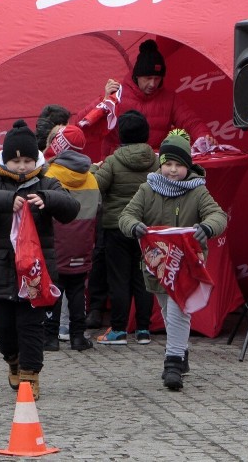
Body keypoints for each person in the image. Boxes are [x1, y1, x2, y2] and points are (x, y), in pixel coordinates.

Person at [0, 120, 79, 400]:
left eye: (28, 160)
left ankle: (30, 375)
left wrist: (47, 199)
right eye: (16, 161)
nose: (22, 166)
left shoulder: (46, 180)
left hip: (36, 273)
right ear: (6, 160)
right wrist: (5, 200)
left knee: (30, 326)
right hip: (2, 270)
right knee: (2, 327)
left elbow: (71, 207)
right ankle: (13, 360)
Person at [120, 129, 227, 391]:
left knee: (179, 310)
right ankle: (181, 350)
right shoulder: (147, 189)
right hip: (156, 263)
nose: (172, 170)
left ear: (188, 166)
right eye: (168, 163)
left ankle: (173, 363)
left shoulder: (198, 192)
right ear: (161, 164)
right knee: (168, 310)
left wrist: (208, 227)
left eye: (178, 165)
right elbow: (126, 215)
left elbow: (218, 215)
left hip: (187, 264)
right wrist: (134, 226)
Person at [78, 39, 216, 156]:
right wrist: (104, 101)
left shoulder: (169, 99)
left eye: (157, 78)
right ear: (137, 75)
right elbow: (81, 124)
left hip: (151, 163)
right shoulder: (116, 94)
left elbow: (191, 121)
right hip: (116, 164)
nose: (153, 84)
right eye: (148, 78)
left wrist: (205, 137)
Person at [92, 110, 159, 345]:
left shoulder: (113, 161)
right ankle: (143, 330)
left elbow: (96, 186)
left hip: (116, 227)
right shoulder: (157, 160)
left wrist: (93, 170)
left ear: (121, 134)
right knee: (144, 279)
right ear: (146, 134)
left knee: (119, 279)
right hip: (146, 229)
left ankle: (119, 330)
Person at [41, 125, 98, 352]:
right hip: (83, 243)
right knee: (76, 291)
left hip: (56, 243)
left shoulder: (49, 175)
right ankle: (77, 337)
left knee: (54, 290)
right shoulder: (92, 179)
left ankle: (50, 337)